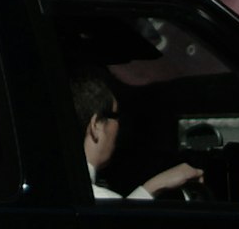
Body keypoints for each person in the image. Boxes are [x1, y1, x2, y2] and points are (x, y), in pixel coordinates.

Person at [74, 75, 203, 201]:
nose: (120, 126)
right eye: (116, 116)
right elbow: (120, 220)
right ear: (96, 125)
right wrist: (154, 187)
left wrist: (153, 187)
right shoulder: (102, 203)